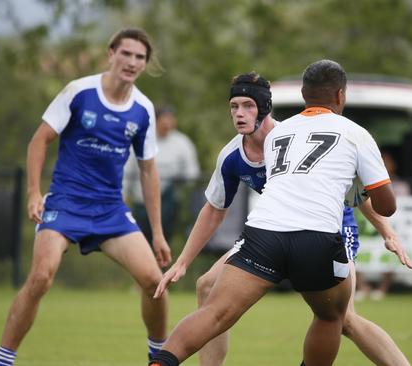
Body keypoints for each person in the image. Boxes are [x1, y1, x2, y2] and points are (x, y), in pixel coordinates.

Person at [150, 60, 398, 366]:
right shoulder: (236, 153)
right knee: (209, 286)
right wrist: (183, 261)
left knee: (345, 319)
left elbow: (355, 197)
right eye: (234, 106)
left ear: (267, 108)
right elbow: (215, 208)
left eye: (247, 106)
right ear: (340, 96)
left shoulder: (286, 134)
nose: (239, 114)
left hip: (321, 226)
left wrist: (387, 231)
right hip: (301, 233)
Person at [0, 28, 172, 366]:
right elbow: (38, 141)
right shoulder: (79, 92)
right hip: (66, 203)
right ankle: (3, 360)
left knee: (153, 281)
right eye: (126, 54)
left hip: (110, 210)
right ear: (111, 54)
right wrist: (33, 193)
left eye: (140, 57)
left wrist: (158, 233)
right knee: (42, 276)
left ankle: (158, 356)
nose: (132, 62)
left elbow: (149, 171)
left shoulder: (143, 109)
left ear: (146, 64)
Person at [124, 106, 200, 242]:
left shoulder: (182, 142)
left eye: (170, 119)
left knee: (164, 238)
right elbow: (127, 170)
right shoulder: (142, 140)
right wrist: (124, 194)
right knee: (142, 239)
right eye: (164, 120)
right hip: (142, 202)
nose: (167, 124)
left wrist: (181, 180)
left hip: (168, 202)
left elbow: (192, 172)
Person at [357, 150, 411, 301]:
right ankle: (362, 287)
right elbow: (359, 198)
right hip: (368, 225)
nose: (385, 165)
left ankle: (382, 289)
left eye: (387, 162)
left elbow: (390, 208)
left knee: (390, 253)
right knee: (356, 252)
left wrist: (389, 233)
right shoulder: (361, 183)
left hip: (390, 224)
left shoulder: (400, 185)